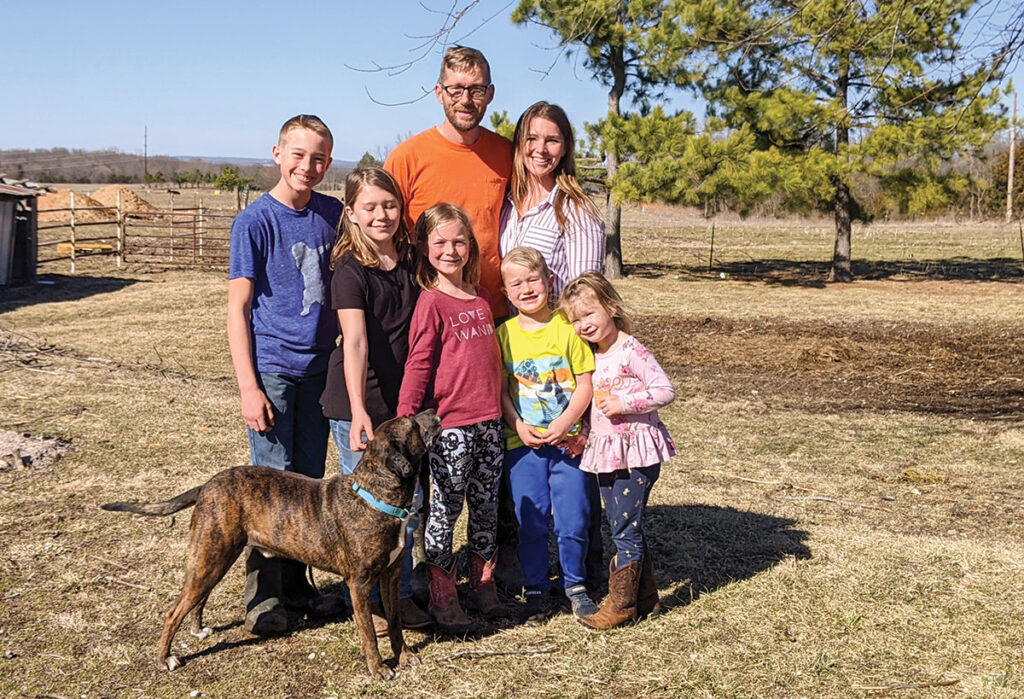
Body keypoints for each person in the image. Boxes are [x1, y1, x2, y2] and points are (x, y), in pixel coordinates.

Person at [227, 114, 344, 635]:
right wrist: (249, 388)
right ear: (277, 153)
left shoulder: (333, 215)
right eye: (298, 155)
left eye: (319, 158)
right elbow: (238, 309)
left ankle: (300, 587)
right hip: (273, 368)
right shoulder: (255, 221)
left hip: (320, 370)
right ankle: (264, 598)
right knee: (269, 489)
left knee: (308, 486)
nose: (308, 166)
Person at [318, 166, 432, 634]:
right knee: (368, 512)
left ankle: (399, 593)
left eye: (389, 205)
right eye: (370, 207)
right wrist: (360, 410)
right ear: (351, 213)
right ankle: (376, 606)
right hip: (358, 403)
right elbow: (356, 343)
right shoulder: (349, 269)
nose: (382, 214)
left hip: (402, 402)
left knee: (409, 501)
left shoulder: (410, 260)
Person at [397, 203, 505, 633]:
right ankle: (443, 593)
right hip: (452, 426)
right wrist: (406, 420)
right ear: (425, 248)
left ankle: (483, 582)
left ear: (471, 246)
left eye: (459, 241)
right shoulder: (431, 302)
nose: (451, 249)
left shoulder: (480, 298)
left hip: (490, 424)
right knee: (445, 510)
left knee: (486, 506)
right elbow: (419, 363)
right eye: (440, 242)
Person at [560, 271, 676, 629]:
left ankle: (622, 605)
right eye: (575, 320)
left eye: (589, 314)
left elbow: (665, 390)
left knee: (624, 528)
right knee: (623, 524)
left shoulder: (632, 351)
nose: (583, 325)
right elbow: (595, 406)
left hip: (636, 454)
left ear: (611, 307)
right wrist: (583, 435)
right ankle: (646, 597)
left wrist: (625, 401)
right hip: (607, 452)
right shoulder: (592, 355)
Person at [495, 246, 598, 625]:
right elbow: (502, 390)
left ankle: (576, 585)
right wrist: (517, 425)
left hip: (568, 443)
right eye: (516, 283)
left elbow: (586, 383)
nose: (526, 289)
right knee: (531, 519)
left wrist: (567, 421)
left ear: (549, 281)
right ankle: (536, 586)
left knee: (573, 517)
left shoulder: (566, 330)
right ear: (505, 292)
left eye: (533, 280)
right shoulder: (502, 335)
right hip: (523, 446)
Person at [384, 45, 512, 320]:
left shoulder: (506, 154)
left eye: (476, 90)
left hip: (494, 309)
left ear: (490, 94)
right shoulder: (407, 158)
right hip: (429, 310)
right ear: (439, 93)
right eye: (455, 89)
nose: (465, 99)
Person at [499, 101, 604, 300]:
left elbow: (586, 295)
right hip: (510, 329)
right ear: (519, 143)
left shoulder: (577, 212)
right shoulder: (505, 204)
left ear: (565, 147)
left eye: (552, 140)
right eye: (532, 138)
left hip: (557, 328)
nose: (541, 149)